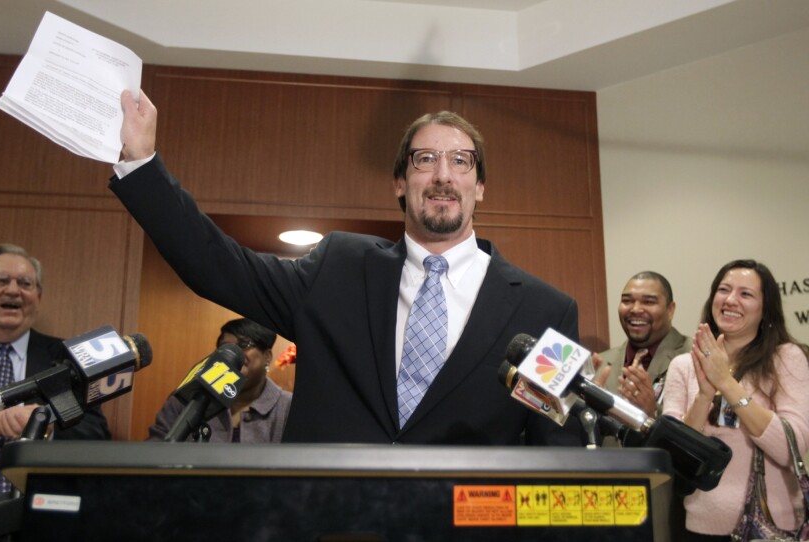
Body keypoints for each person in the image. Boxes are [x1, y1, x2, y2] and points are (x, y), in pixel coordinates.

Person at [108, 90, 582, 446]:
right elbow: (218, 267)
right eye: (424, 160)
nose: (442, 175)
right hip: (329, 520)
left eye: (461, 161)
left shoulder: (546, 312)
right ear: (400, 182)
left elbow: (557, 458)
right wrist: (141, 165)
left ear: (480, 186)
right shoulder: (338, 267)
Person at [0, 244, 111, 540]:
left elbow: (97, 434)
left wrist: (48, 427)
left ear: (38, 297)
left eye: (25, 283)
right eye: (1, 281)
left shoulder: (67, 359)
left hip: (39, 524)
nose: (13, 291)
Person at [662, 259, 809, 540]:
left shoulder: (787, 358)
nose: (731, 300)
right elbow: (677, 457)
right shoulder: (683, 365)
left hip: (771, 527)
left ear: (766, 309)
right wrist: (705, 395)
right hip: (700, 527)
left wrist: (727, 384)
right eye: (724, 290)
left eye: (746, 294)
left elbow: (791, 448)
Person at [146, 318, 292, 443]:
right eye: (225, 348)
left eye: (243, 345)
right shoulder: (190, 396)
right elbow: (155, 450)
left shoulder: (287, 407)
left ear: (267, 356)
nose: (235, 355)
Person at [595, 271, 691, 420]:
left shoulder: (693, 357)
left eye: (648, 302)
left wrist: (651, 414)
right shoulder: (599, 364)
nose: (635, 309)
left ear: (670, 310)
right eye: (627, 301)